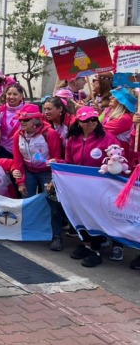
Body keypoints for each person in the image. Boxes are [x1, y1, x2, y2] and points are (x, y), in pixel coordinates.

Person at [53, 106, 120, 258]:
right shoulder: (72, 139)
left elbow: (117, 162)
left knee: (95, 217)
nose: (90, 123)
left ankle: (95, 250)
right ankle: (86, 244)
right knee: (80, 215)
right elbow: (69, 162)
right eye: (86, 120)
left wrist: (113, 167)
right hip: (78, 187)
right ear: (78, 122)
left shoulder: (108, 139)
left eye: (93, 119)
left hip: (99, 188)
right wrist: (56, 162)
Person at [11, 104, 63, 197]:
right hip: (28, 172)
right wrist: (20, 182)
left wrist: (53, 179)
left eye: (26, 120)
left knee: (49, 199)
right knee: (27, 199)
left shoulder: (50, 134)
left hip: (46, 172)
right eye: (20, 120)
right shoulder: (17, 135)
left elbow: (56, 158)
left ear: (35, 121)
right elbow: (17, 160)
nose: (22, 122)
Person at [0, 83, 26, 158]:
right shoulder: (0, 110)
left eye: (15, 94)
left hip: (23, 150)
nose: (11, 97)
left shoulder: (27, 110)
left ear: (21, 96)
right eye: (9, 94)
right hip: (3, 150)